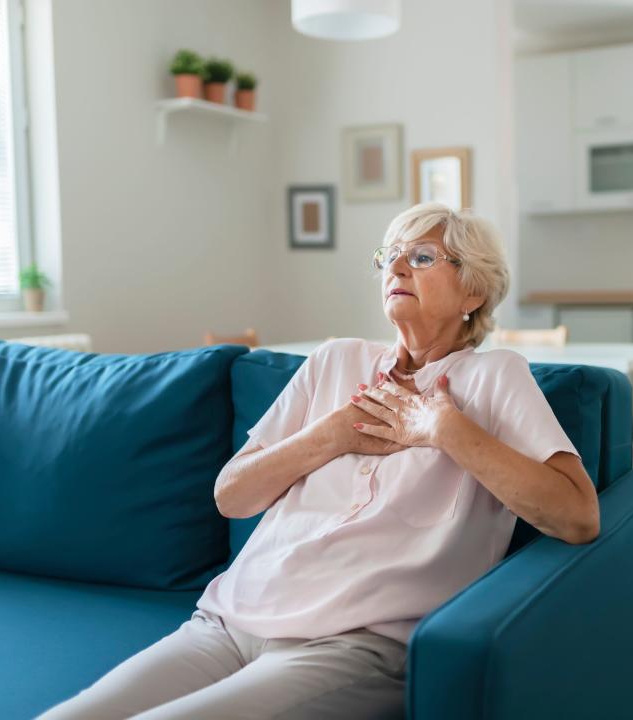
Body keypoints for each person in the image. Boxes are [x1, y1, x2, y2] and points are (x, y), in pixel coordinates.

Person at [36, 202, 599, 720]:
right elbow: (232, 496)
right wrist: (331, 435)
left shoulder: (495, 377)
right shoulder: (334, 361)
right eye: (390, 256)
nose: (397, 267)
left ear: (473, 291)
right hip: (228, 621)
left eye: (421, 257)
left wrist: (445, 429)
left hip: (352, 642)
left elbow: (577, 516)